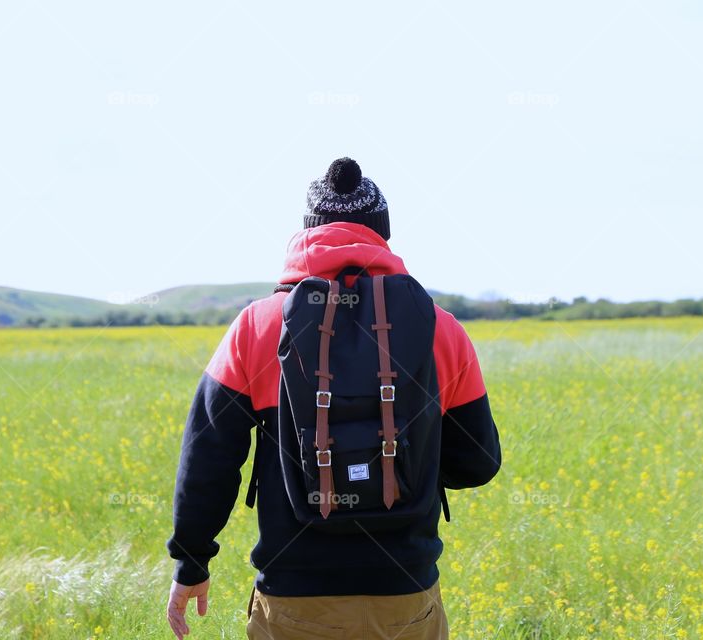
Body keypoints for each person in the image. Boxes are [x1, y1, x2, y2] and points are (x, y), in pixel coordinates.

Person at [166, 158, 502, 639]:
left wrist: (191, 562)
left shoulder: (257, 326)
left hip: (294, 598)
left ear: (309, 232)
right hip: (405, 593)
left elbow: (208, 460)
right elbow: (479, 462)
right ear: (381, 233)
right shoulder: (439, 327)